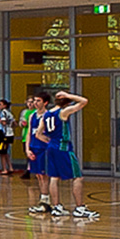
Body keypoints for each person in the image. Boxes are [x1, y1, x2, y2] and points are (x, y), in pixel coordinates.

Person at [35, 90, 97, 218]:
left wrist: (50, 141)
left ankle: (57, 206)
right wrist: (68, 95)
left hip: (51, 147)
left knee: (54, 177)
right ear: (66, 103)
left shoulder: (46, 114)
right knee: (77, 177)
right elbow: (84, 101)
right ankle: (80, 207)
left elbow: (38, 134)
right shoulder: (63, 112)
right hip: (63, 147)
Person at [24, 94, 54, 214]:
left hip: (44, 148)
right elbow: (28, 133)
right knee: (38, 175)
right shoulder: (32, 116)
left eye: (38, 101)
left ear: (45, 102)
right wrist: (27, 148)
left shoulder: (48, 116)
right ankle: (44, 200)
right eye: (34, 100)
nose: (35, 103)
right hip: (34, 148)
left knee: (44, 175)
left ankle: (45, 201)